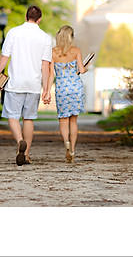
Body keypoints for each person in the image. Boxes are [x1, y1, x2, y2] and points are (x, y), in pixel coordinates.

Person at [0, 5, 53, 166]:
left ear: (26, 16)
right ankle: (26, 155)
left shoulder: (13, 32)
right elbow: (45, 66)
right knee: (29, 119)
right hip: (33, 85)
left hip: (15, 83)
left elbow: (4, 57)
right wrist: (46, 89)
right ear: (40, 19)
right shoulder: (45, 38)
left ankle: (20, 141)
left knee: (12, 116)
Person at [49, 25, 89, 163]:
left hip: (62, 88)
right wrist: (86, 67)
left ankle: (66, 142)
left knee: (63, 119)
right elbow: (81, 70)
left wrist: (47, 91)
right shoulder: (76, 51)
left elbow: (50, 74)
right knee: (73, 120)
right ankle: (72, 149)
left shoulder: (53, 52)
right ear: (71, 37)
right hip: (76, 88)